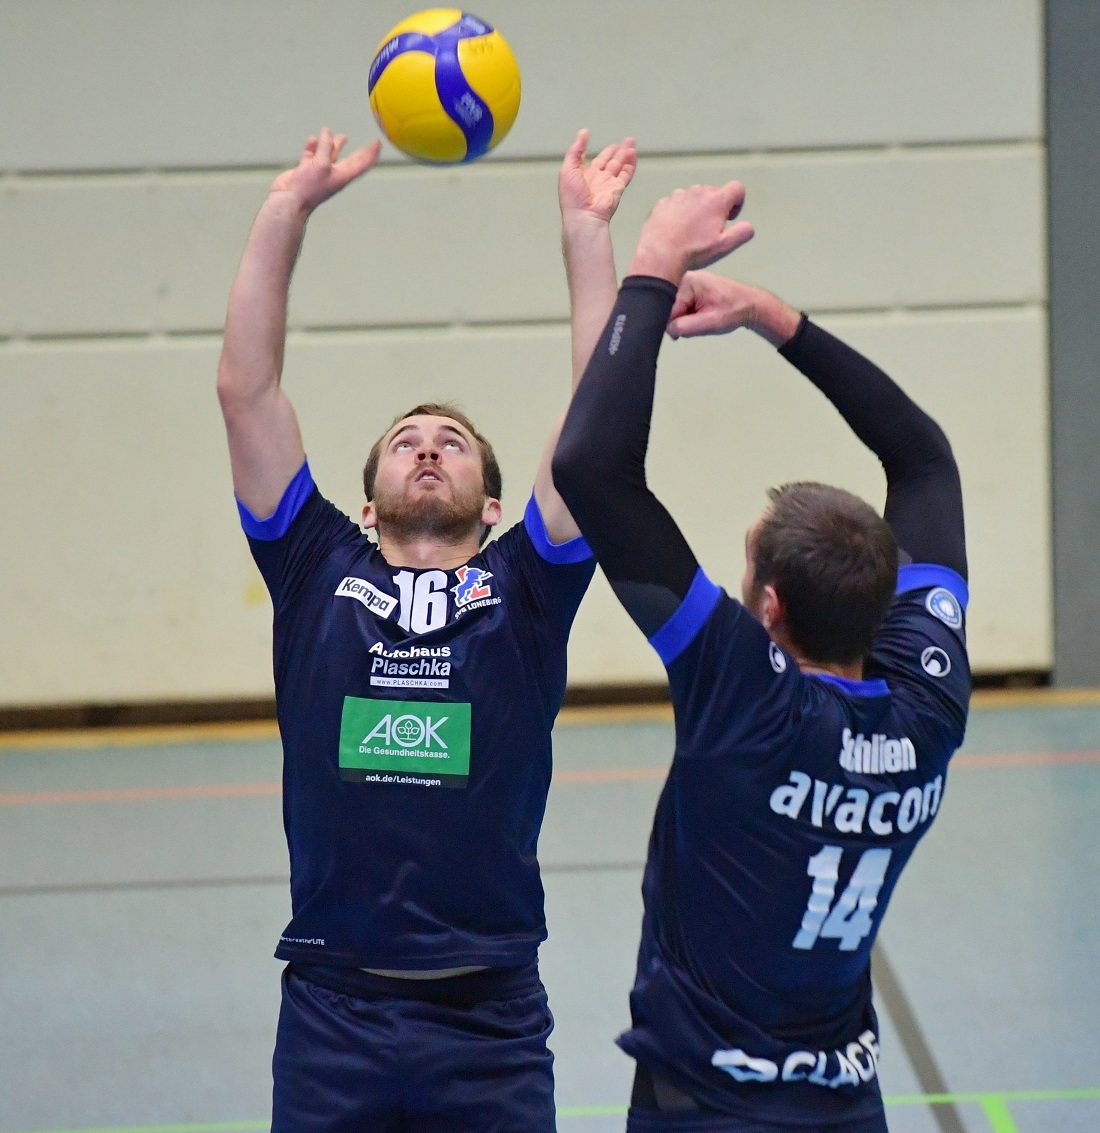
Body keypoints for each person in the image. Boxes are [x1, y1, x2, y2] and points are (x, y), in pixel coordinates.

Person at [216, 126, 635, 1132]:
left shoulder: (526, 584)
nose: (428, 447)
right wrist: (288, 207)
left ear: (493, 503)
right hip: (333, 1002)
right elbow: (245, 391)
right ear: (366, 505)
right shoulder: (316, 565)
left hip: (486, 1008)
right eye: (406, 442)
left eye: (451, 442)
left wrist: (585, 236)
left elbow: (597, 417)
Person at [552, 182, 970, 1131]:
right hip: (846, 1105)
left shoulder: (743, 693)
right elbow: (926, 462)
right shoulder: (927, 703)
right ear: (887, 598)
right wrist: (774, 318)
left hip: (703, 1104)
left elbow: (589, 469)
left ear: (768, 605)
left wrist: (655, 262)